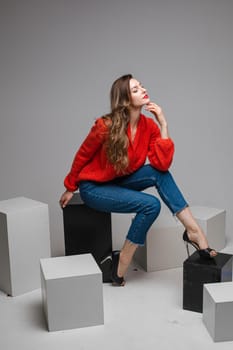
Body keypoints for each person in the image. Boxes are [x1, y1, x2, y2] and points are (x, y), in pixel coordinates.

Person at [59, 74, 217, 286]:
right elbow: (82, 155)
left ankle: (193, 231)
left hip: (118, 182)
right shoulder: (105, 126)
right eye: (135, 89)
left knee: (158, 173)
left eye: (141, 86)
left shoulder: (149, 126)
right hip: (94, 187)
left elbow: (161, 164)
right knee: (151, 205)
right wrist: (70, 187)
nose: (143, 89)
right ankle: (123, 260)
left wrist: (163, 123)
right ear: (125, 100)